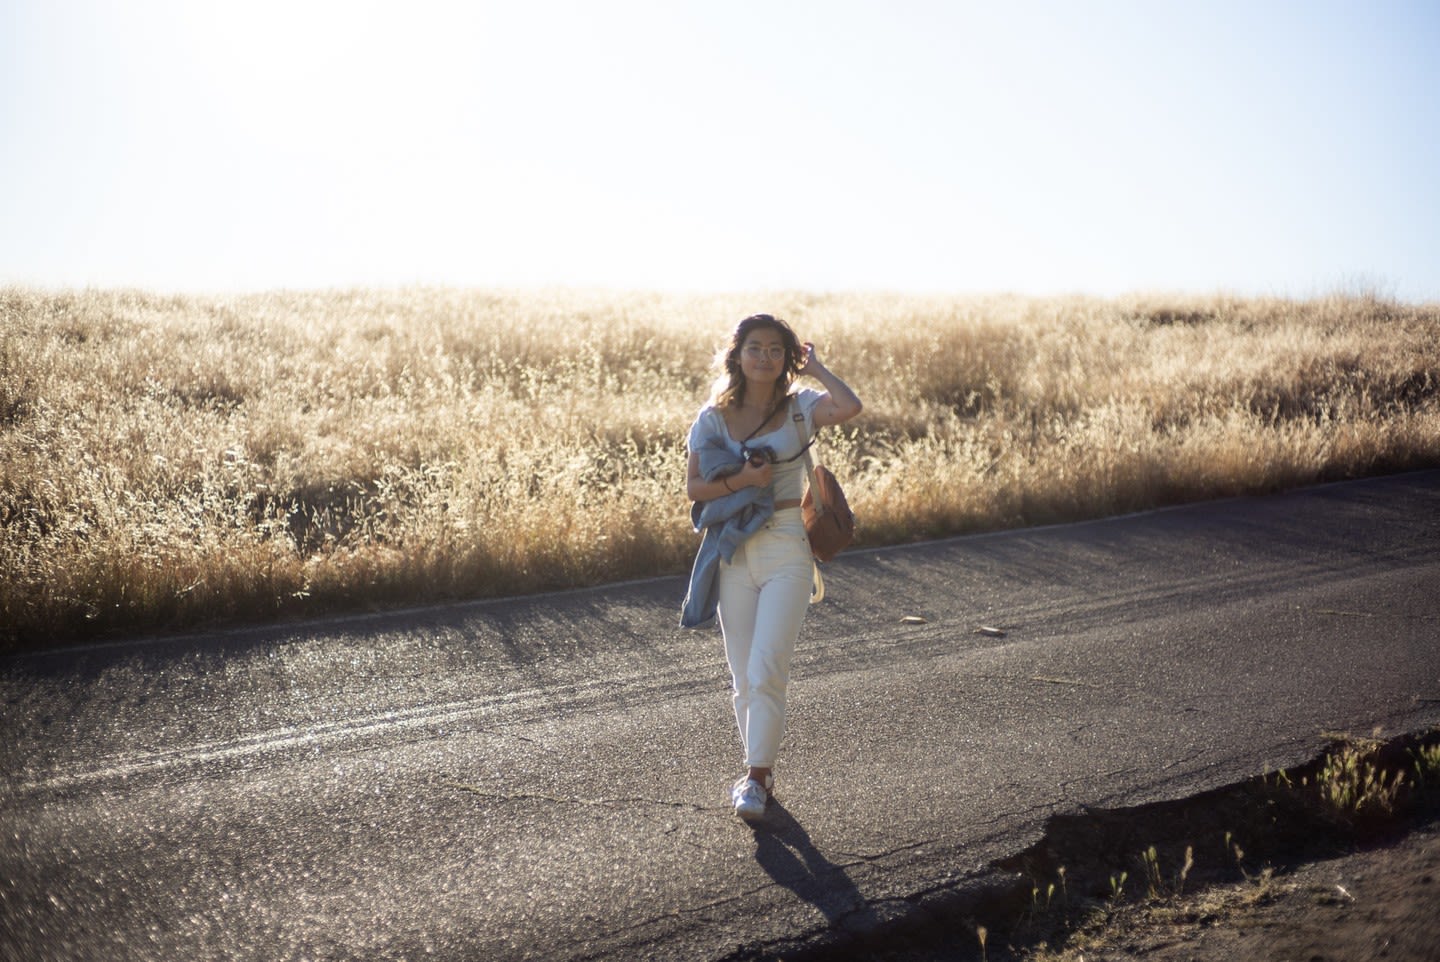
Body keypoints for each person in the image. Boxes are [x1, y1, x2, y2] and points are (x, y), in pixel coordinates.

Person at [682, 313, 862, 822]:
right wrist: (743, 481)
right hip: (734, 549)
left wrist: (818, 369)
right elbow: (695, 489)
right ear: (737, 355)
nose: (764, 357)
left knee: (766, 669)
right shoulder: (713, 418)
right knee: (744, 676)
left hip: (787, 545)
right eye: (755, 348)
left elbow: (850, 406)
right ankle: (757, 767)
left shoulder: (801, 407)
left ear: (788, 359)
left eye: (776, 350)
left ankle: (755, 779)